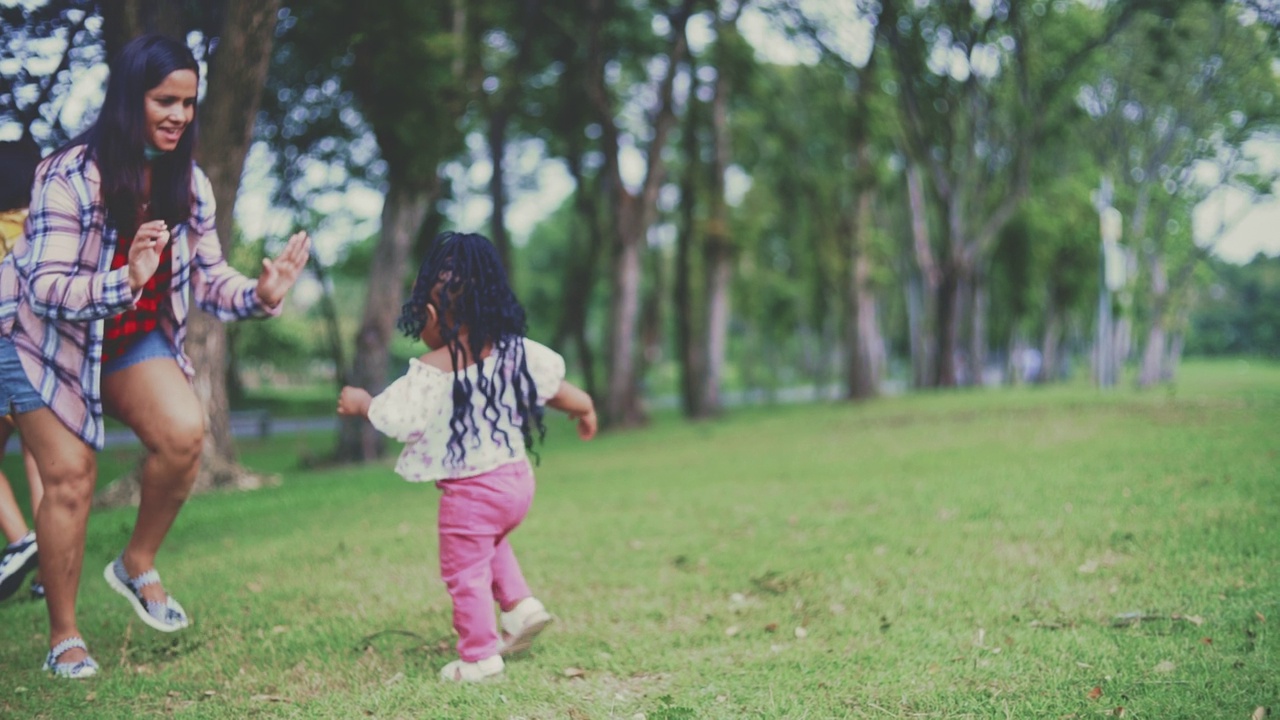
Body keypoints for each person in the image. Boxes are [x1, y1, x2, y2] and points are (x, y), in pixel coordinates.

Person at [0, 35, 310, 678]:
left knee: (183, 432)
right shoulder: (68, 173)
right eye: (164, 100)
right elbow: (46, 287)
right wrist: (129, 279)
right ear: (127, 99)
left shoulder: (188, 182)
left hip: (125, 340)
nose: (178, 115)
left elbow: (210, 277)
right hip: (42, 340)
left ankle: (135, 562)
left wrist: (260, 293)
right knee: (68, 476)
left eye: (189, 103)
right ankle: (64, 637)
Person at [337, 231, 597, 683]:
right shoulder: (516, 352)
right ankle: (520, 608)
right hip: (516, 482)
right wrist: (586, 408)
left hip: (471, 495)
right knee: (490, 542)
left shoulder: (431, 372)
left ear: (432, 314)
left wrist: (361, 403)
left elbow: (396, 418)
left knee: (464, 571)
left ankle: (479, 657)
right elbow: (557, 391)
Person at [0, 138, 47, 603]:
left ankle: (21, 540)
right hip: (40, 362)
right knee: (40, 464)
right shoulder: (41, 228)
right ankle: (49, 565)